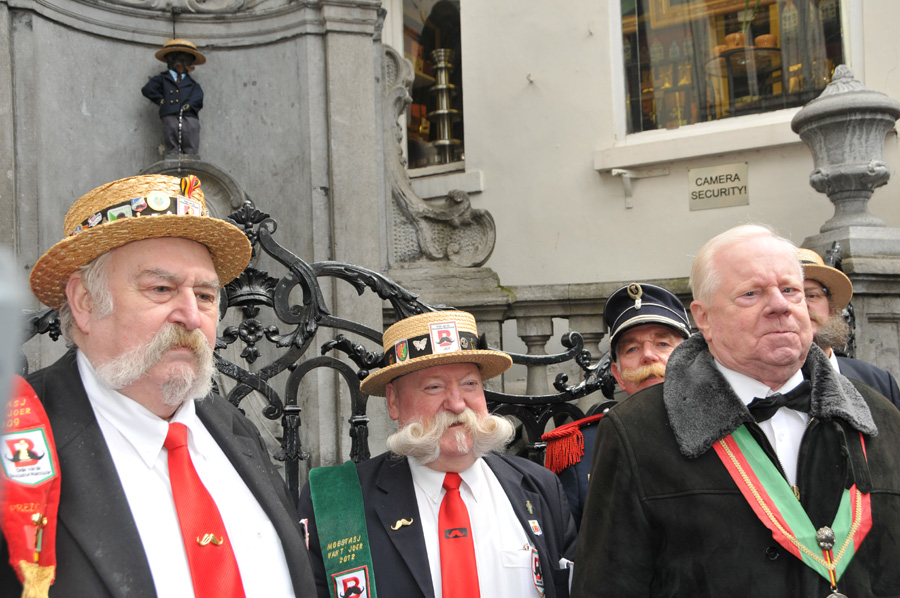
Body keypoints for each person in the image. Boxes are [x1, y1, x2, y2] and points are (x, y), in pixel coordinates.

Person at [0, 174, 316, 597]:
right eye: (162, 289)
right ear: (85, 302)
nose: (190, 315)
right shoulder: (17, 437)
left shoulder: (233, 428)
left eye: (205, 296)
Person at [572, 224, 900, 596]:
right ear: (705, 318)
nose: (780, 305)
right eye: (751, 293)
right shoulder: (638, 431)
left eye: (791, 290)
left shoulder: (879, 417)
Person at [298, 310, 577, 598]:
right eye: (434, 387)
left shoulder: (539, 488)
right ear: (393, 401)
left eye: (469, 384)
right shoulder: (340, 502)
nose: (457, 404)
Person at [542, 283, 690, 529]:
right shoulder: (580, 448)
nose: (648, 356)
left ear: (691, 359)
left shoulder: (732, 430)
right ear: (617, 374)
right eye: (632, 348)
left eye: (663, 344)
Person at [798, 247, 900, 409]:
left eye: (812, 295)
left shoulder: (879, 381)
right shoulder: (769, 385)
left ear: (832, 307)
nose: (804, 305)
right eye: (792, 295)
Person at [141, 39, 205, 155]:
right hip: (170, 112)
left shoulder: (193, 84)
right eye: (180, 59)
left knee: (191, 132)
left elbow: (198, 97)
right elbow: (147, 89)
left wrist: (190, 105)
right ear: (170, 60)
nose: (183, 63)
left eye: (187, 60)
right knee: (171, 132)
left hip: (189, 115)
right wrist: (161, 100)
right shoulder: (163, 79)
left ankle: (190, 158)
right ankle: (173, 154)